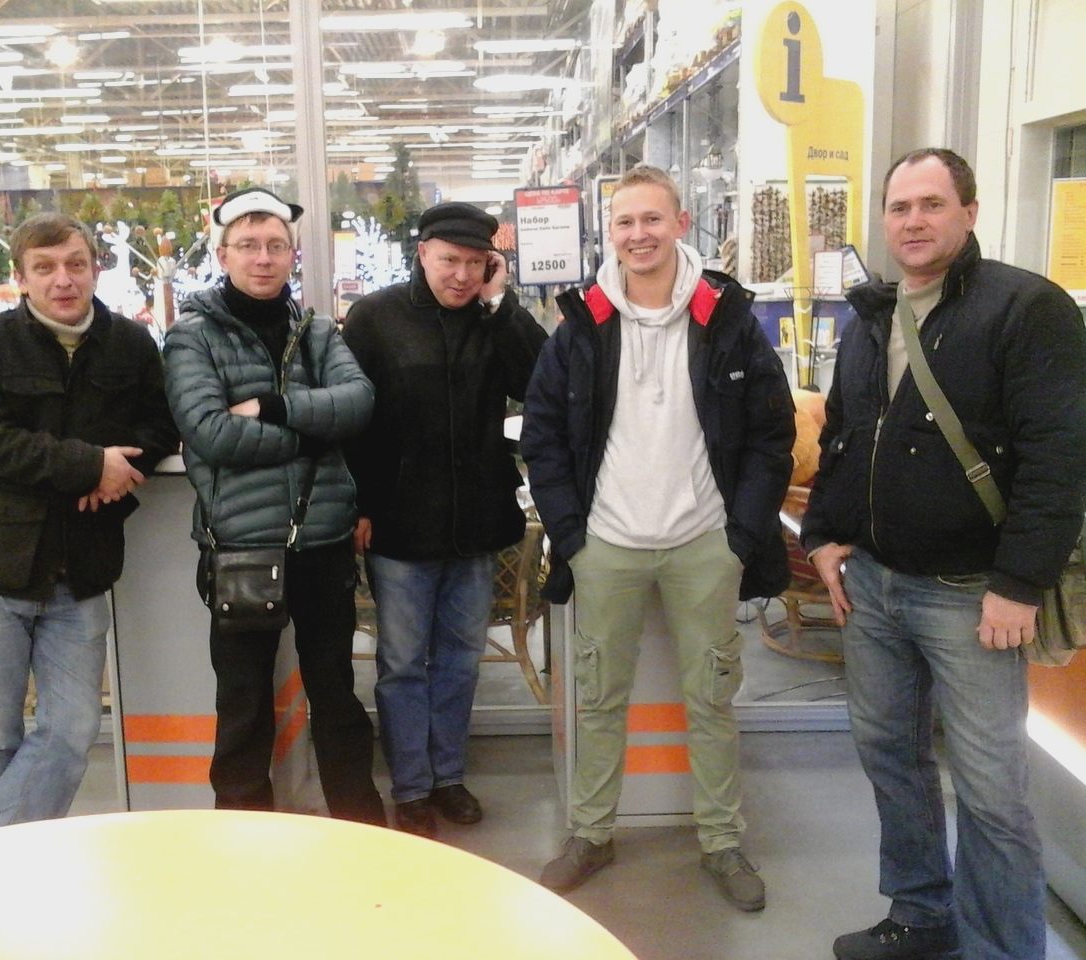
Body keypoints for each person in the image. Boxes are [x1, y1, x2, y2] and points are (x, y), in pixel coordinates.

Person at [802, 148, 1086, 960]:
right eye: (899, 207)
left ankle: (1003, 949)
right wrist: (823, 535)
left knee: (993, 794)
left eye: (932, 204)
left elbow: (1060, 457)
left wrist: (1020, 583)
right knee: (892, 759)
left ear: (969, 211)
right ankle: (922, 914)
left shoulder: (1025, 309)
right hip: (875, 587)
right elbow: (845, 436)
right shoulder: (872, 316)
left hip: (973, 596)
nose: (914, 221)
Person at [520, 165, 795, 908]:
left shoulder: (726, 320)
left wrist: (740, 536)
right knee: (599, 697)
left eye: (651, 219)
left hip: (705, 542)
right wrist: (573, 537)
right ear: (610, 232)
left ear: (681, 223)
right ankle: (591, 833)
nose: (638, 234)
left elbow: (772, 435)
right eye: (625, 222)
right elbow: (543, 436)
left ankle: (722, 840)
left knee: (711, 698)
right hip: (605, 544)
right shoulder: (581, 324)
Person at [0, 212, 179, 829]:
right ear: (21, 279)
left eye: (75, 264)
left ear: (95, 268)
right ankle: (8, 868)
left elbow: (158, 426)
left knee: (72, 730)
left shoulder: (131, 345)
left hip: (83, 568)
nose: (62, 279)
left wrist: (120, 475)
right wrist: (90, 465)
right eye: (44, 268)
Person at [163, 187, 385, 825]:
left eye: (275, 246)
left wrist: (273, 406)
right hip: (241, 546)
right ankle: (243, 835)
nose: (263, 258)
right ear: (223, 255)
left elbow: (359, 402)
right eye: (248, 246)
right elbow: (211, 433)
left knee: (336, 693)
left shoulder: (316, 331)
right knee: (243, 702)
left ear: (292, 254)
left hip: (323, 540)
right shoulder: (192, 337)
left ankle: (360, 827)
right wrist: (313, 434)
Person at [342, 202, 548, 839]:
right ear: (423, 254)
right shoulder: (375, 318)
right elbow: (352, 422)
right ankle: (410, 787)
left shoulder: (491, 319)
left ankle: (448, 777)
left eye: (475, 263)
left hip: (477, 521)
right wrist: (359, 505)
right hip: (399, 523)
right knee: (403, 662)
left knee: (459, 660)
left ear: (490, 265)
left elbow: (542, 380)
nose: (461, 275)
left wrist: (502, 305)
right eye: (449, 261)